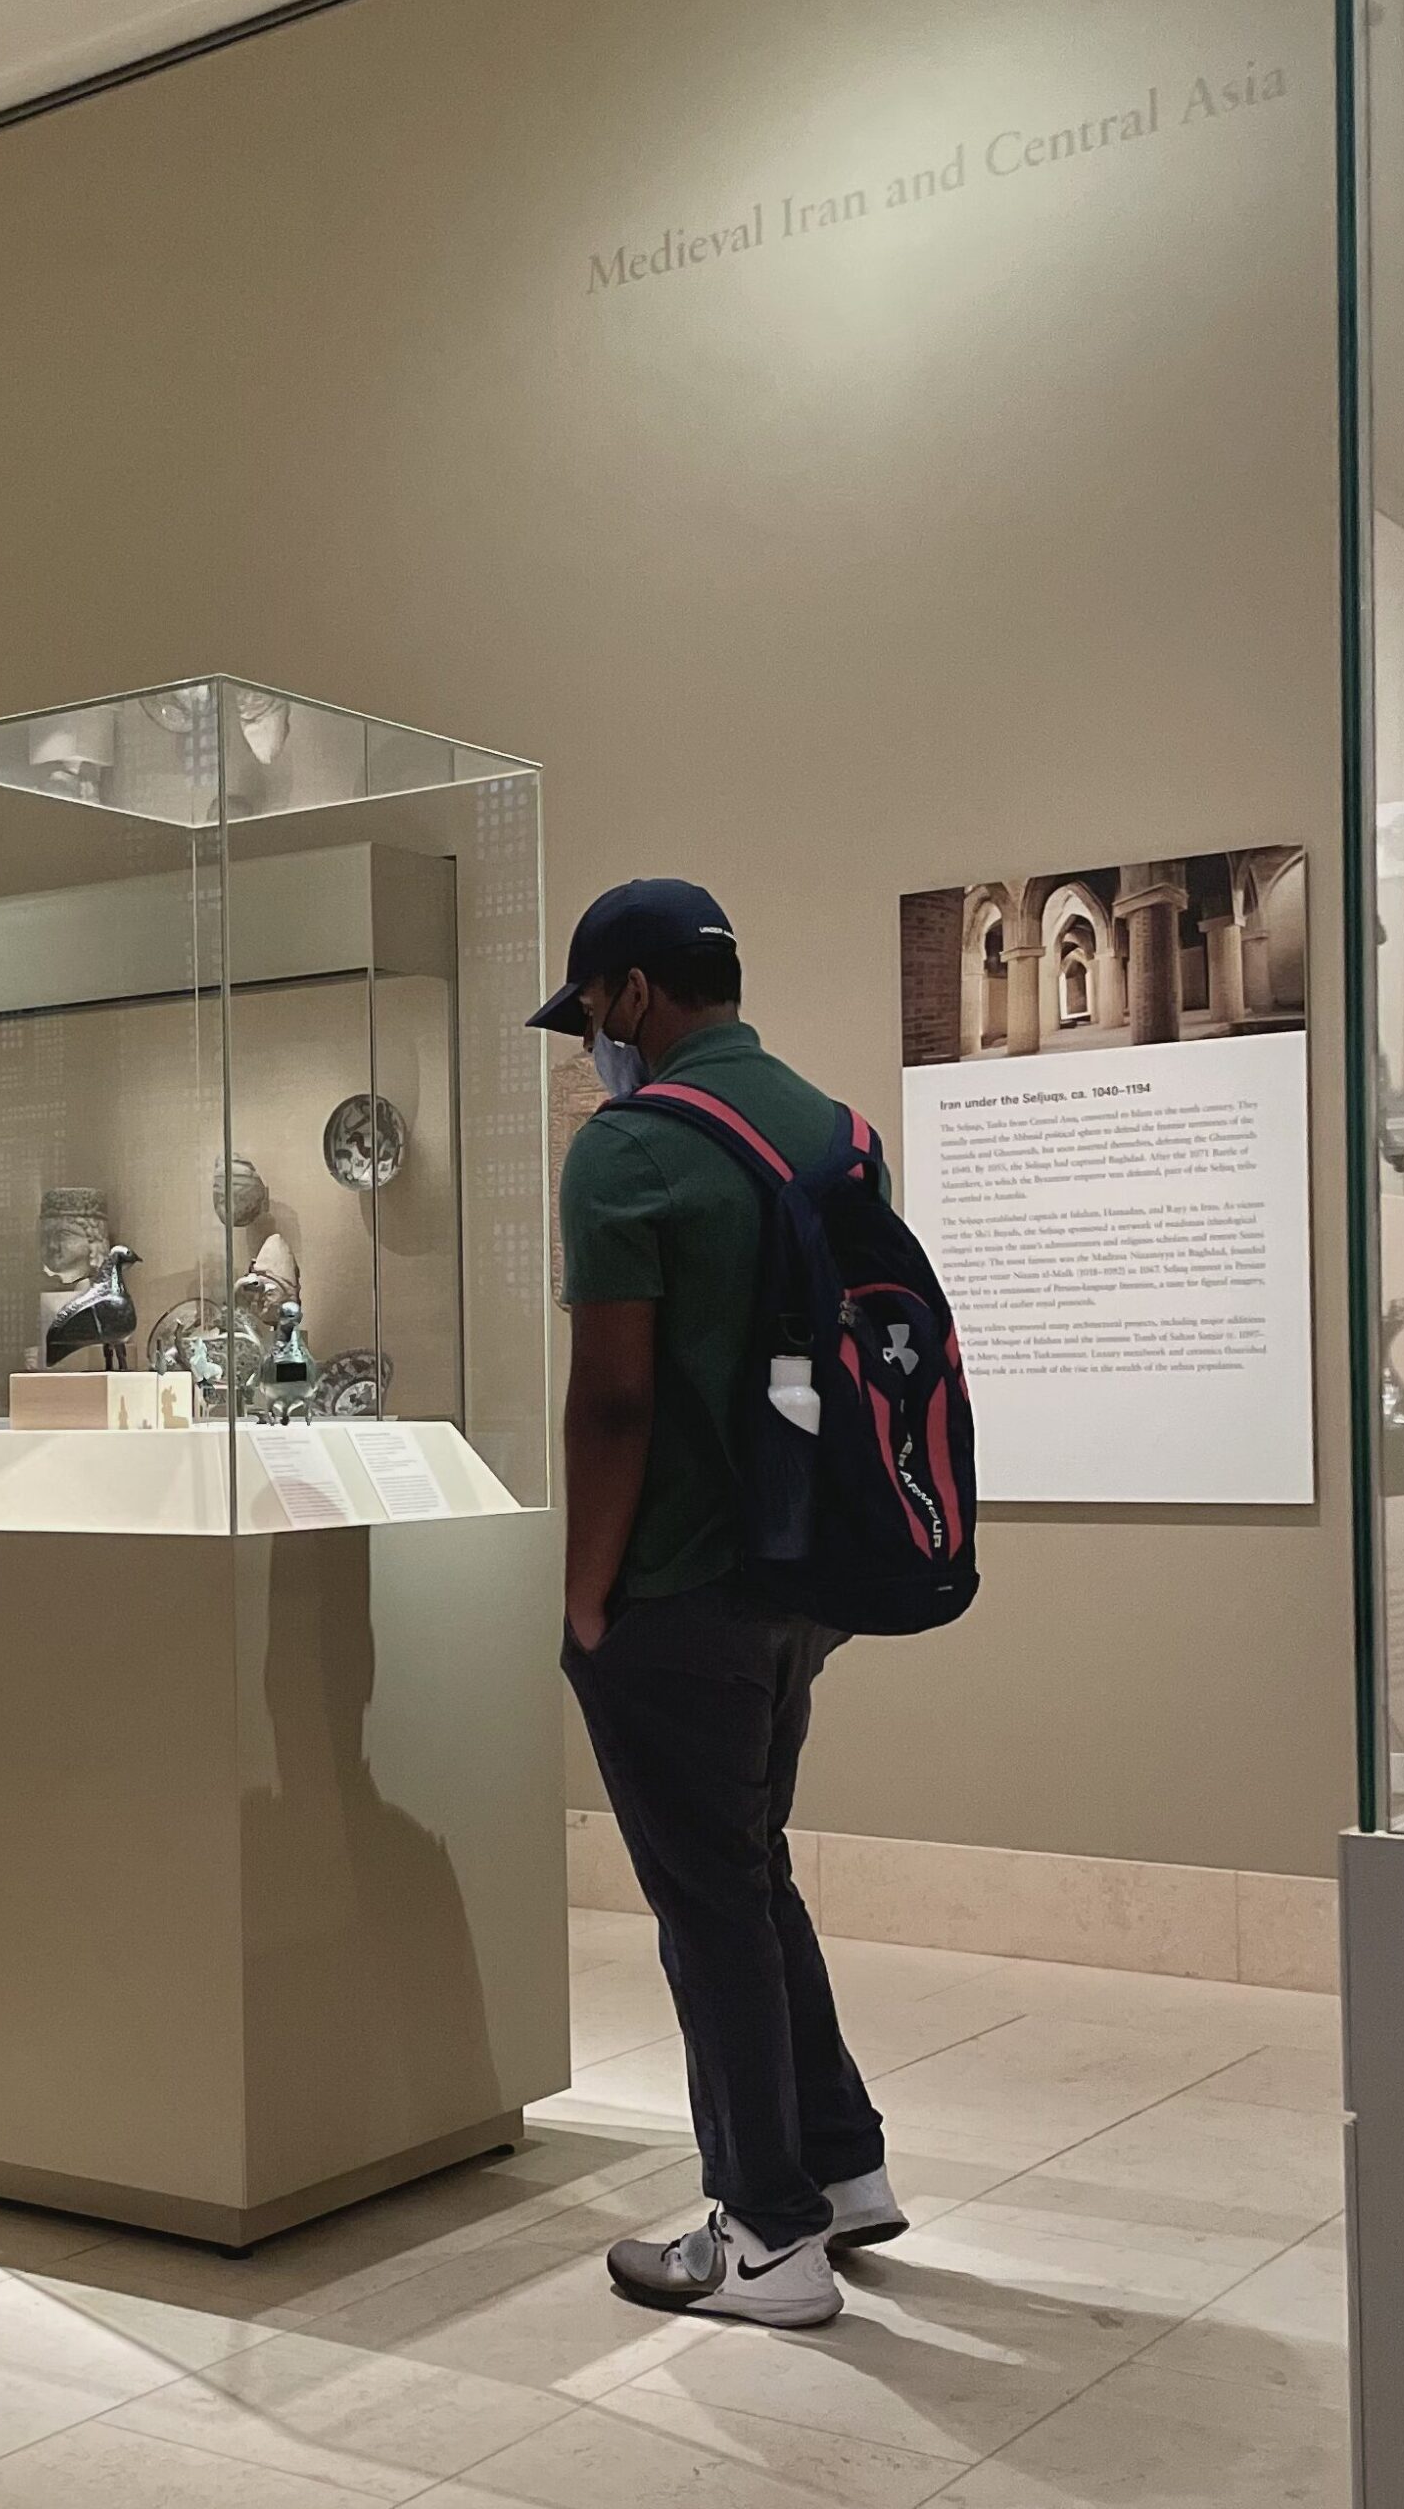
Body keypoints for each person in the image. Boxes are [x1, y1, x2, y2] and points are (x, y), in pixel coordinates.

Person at [533, 879, 902, 2331]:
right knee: (749, 1868)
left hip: (678, 1582)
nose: (590, 1051)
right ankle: (843, 2165)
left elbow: (615, 1397)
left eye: (591, 1020)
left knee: (708, 1904)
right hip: (806, 1574)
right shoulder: (836, 1130)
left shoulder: (628, 1152)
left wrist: (582, 1601)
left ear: (632, 994)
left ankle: (766, 2237)